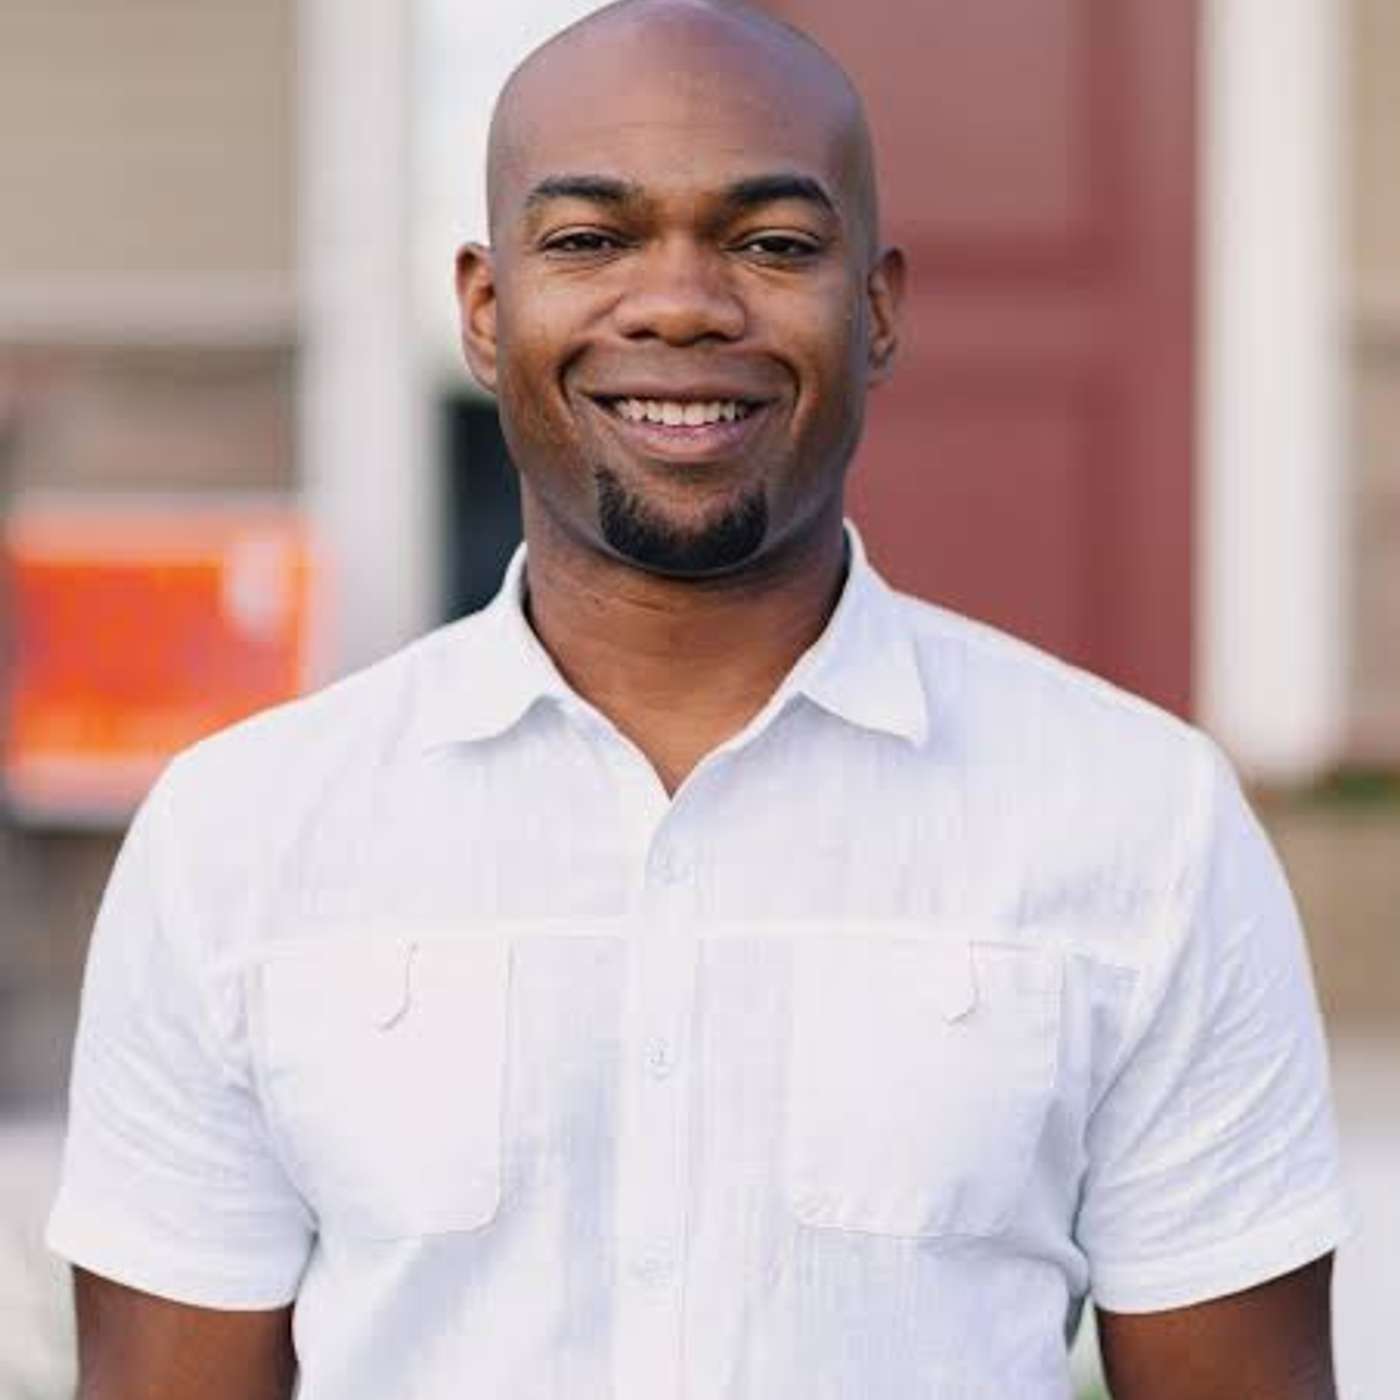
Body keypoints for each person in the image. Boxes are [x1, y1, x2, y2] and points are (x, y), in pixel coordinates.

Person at [48, 2, 1353, 1396]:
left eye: (774, 244)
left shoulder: (1139, 822)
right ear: (488, 311)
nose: (678, 303)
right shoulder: (241, 839)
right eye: (592, 240)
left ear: (881, 308)